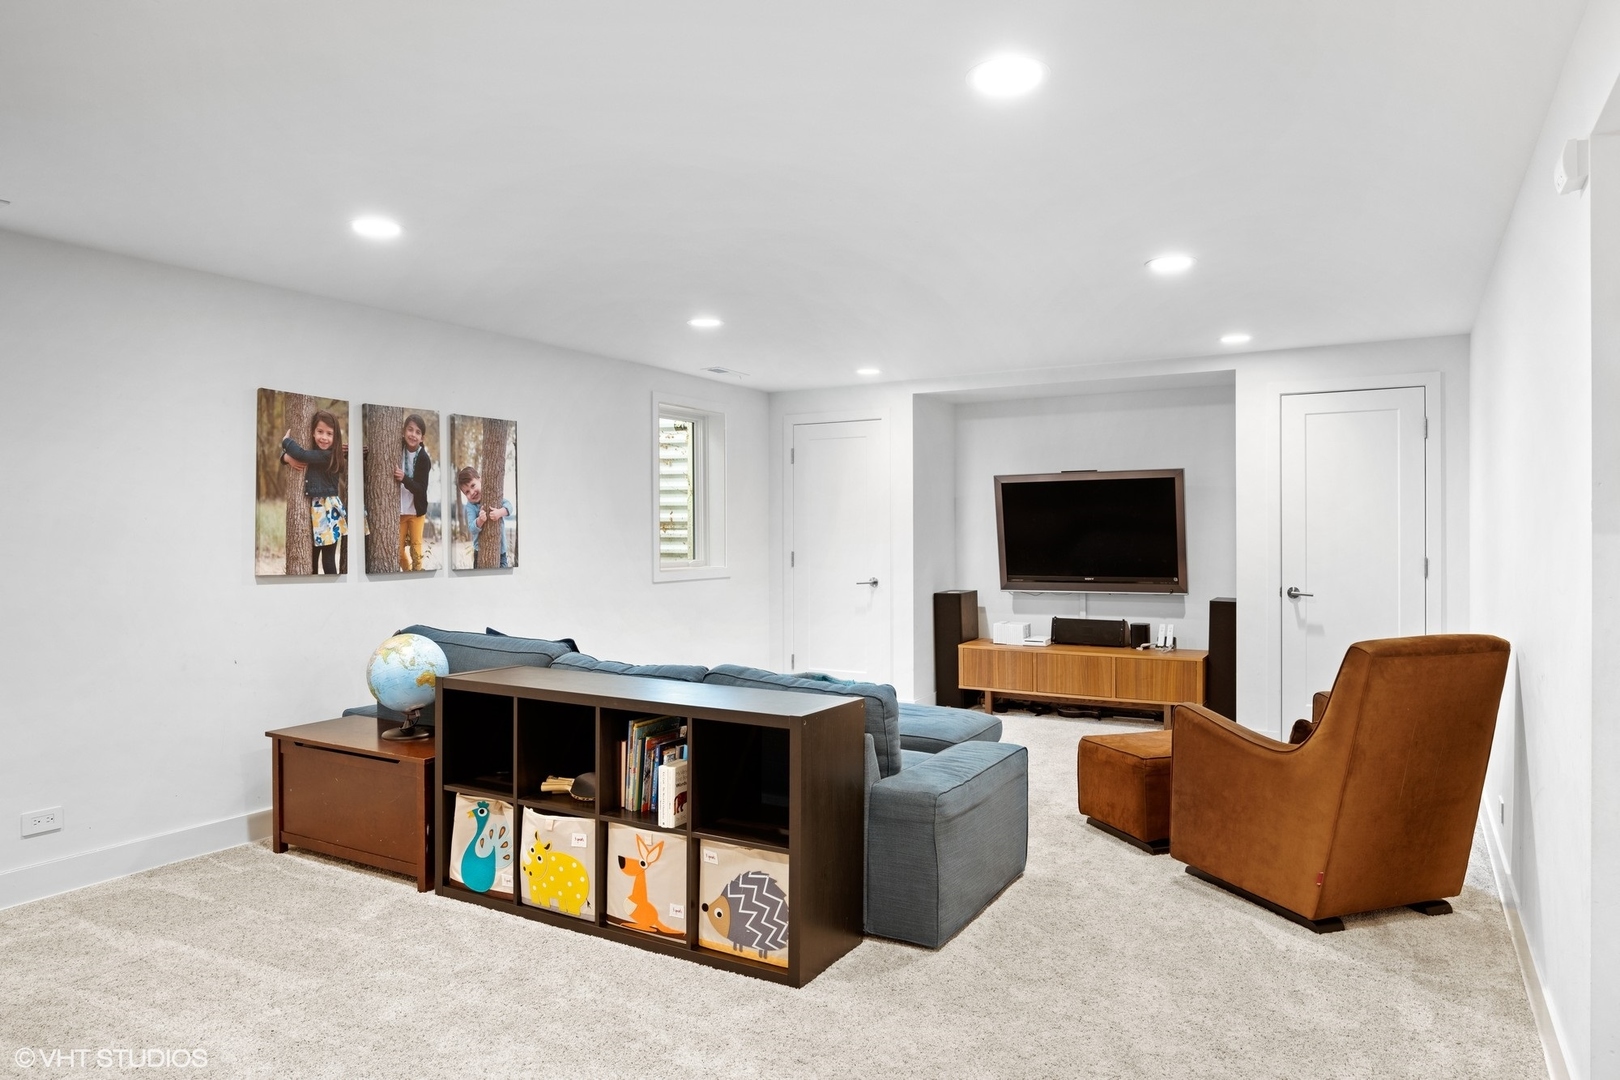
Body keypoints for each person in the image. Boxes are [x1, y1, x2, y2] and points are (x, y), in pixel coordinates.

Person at [281, 410, 347, 575]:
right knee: (311, 559)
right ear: (312, 432)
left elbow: (301, 454)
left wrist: (286, 442)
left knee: (328, 560)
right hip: (315, 510)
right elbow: (301, 456)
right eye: (320, 432)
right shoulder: (316, 453)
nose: (324, 437)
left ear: (335, 437)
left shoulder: (329, 454)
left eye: (329, 434)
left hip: (327, 511)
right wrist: (286, 458)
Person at [394, 413, 432, 571]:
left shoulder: (423, 459)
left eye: (417, 432)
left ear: (422, 438)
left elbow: (421, 489)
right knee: (397, 550)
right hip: (400, 510)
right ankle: (408, 573)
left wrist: (404, 478)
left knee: (415, 548)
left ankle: (418, 576)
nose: (413, 434)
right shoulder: (396, 449)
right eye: (410, 430)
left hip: (416, 511)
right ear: (403, 432)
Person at [456, 465, 513, 568]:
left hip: (501, 551)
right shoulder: (470, 507)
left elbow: (509, 506)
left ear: (480, 480)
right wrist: (479, 520)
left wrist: (500, 512)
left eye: (473, 485)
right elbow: (472, 528)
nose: (472, 492)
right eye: (467, 492)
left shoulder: (492, 495)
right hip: (480, 552)